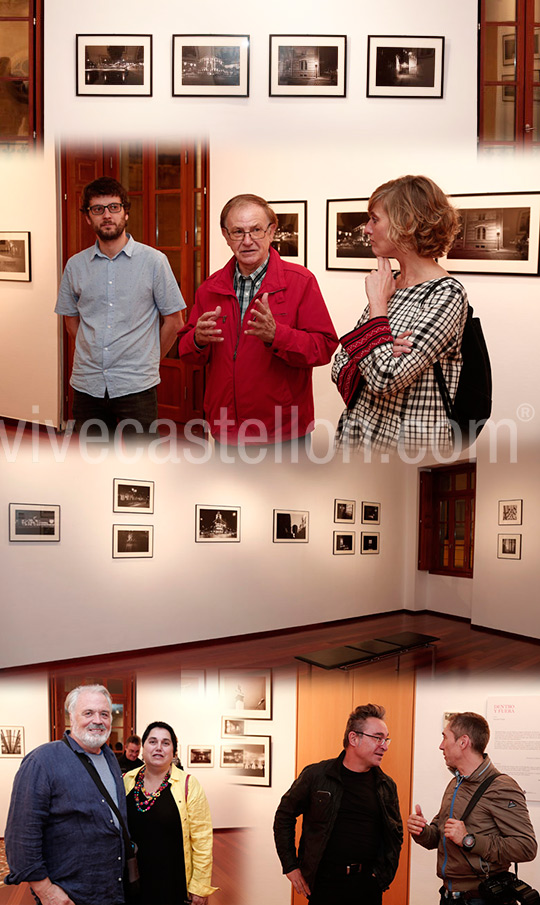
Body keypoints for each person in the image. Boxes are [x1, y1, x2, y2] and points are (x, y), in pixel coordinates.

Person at [177, 193, 338, 447]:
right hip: (225, 431)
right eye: (238, 232)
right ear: (226, 236)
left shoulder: (300, 281)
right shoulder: (210, 288)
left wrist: (277, 336)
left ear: (271, 231)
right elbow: (187, 352)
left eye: (256, 230)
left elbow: (324, 347)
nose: (248, 241)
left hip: (283, 433)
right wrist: (196, 339)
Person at [332, 175, 468, 455]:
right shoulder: (391, 281)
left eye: (374, 219)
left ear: (406, 223)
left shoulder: (446, 294)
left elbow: (384, 379)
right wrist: (382, 345)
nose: (367, 229)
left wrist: (377, 310)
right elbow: (339, 365)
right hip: (357, 440)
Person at [55, 176, 185, 436]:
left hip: (136, 386)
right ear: (87, 217)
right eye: (97, 209)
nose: (106, 215)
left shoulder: (154, 262)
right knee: (94, 463)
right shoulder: (75, 265)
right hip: (87, 384)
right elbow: (71, 319)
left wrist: (148, 360)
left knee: (140, 467)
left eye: (114, 207)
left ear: (126, 213)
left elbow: (175, 321)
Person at [4, 684, 128, 905]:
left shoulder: (110, 758)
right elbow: (21, 837)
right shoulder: (42, 761)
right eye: (88, 713)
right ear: (71, 716)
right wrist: (46, 891)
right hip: (69, 895)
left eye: (104, 714)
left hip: (111, 889)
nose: (97, 720)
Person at [273, 703, 403, 904]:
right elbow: (284, 816)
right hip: (324, 885)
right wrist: (290, 866)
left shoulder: (386, 786)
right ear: (354, 738)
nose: (384, 745)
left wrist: (382, 877)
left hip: (368, 887)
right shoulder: (316, 775)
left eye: (386, 739)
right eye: (378, 738)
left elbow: (395, 835)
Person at [407, 711, 537, 904]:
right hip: (449, 897)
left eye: (445, 737)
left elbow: (526, 847)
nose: (441, 745)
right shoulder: (455, 783)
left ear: (463, 742)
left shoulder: (501, 786)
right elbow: (439, 835)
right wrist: (421, 831)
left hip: (481, 899)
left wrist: (469, 840)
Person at [123, 720, 216, 905]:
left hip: (172, 880)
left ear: (173, 751)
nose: (159, 747)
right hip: (134, 879)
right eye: (152, 741)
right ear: (143, 748)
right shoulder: (127, 780)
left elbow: (203, 840)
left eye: (166, 743)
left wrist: (199, 887)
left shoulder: (189, 785)